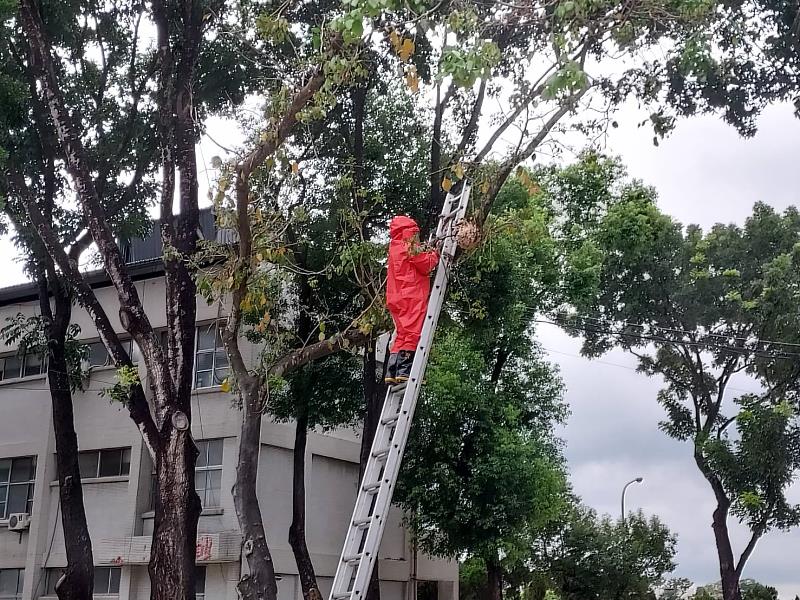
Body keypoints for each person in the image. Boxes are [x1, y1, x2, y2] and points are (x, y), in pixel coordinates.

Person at [385, 215, 440, 384]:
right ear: (410, 232)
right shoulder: (409, 246)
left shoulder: (395, 247)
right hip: (411, 295)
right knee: (412, 332)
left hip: (395, 297)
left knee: (402, 333)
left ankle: (391, 371)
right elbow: (425, 263)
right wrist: (434, 253)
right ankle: (406, 371)